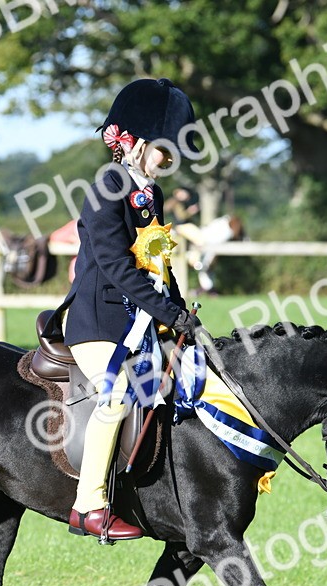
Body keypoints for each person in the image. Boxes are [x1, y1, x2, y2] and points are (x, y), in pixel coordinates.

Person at [45, 78, 201, 541]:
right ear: (135, 142)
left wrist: (180, 314)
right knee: (116, 395)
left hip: (141, 321)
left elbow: (157, 266)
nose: (169, 162)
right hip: (98, 319)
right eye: (164, 151)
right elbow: (115, 266)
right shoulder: (107, 186)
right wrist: (166, 313)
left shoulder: (150, 195)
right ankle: (88, 505)